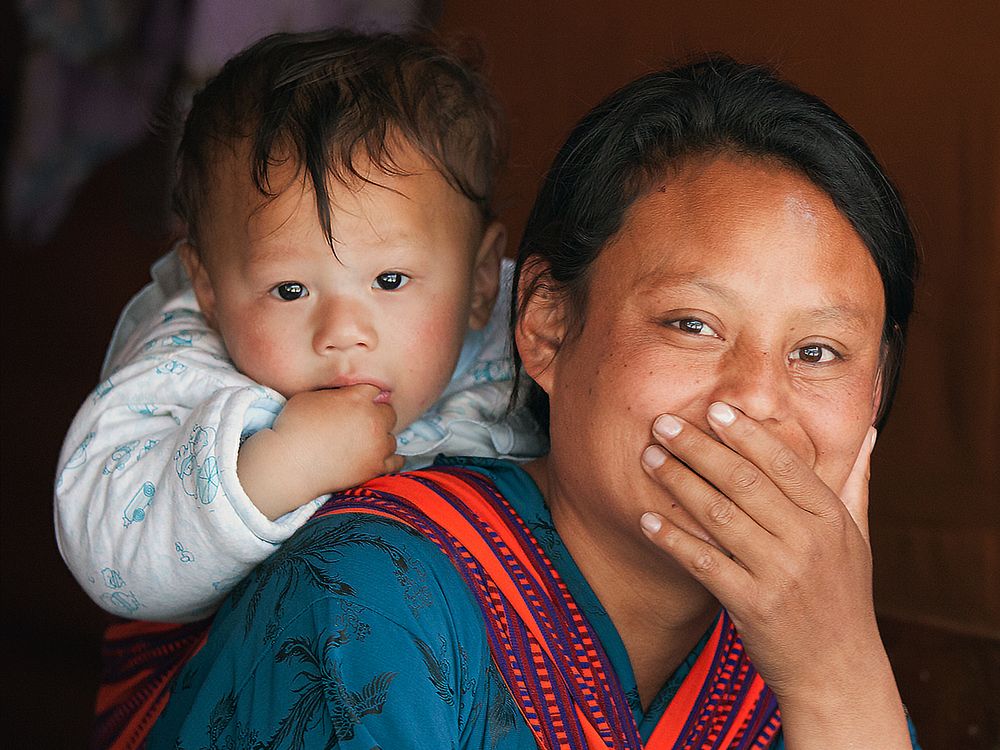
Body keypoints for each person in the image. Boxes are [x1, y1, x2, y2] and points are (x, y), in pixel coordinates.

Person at [148, 57, 921, 749]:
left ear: (876, 388)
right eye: (691, 324)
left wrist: (838, 680)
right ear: (546, 323)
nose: (756, 398)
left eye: (818, 353)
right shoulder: (372, 600)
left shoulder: (819, 650)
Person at [54, 30, 546, 627]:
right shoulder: (183, 368)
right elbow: (112, 558)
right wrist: (281, 466)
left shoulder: (532, 346)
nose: (342, 332)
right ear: (208, 289)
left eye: (390, 281)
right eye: (290, 291)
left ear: (479, 283)